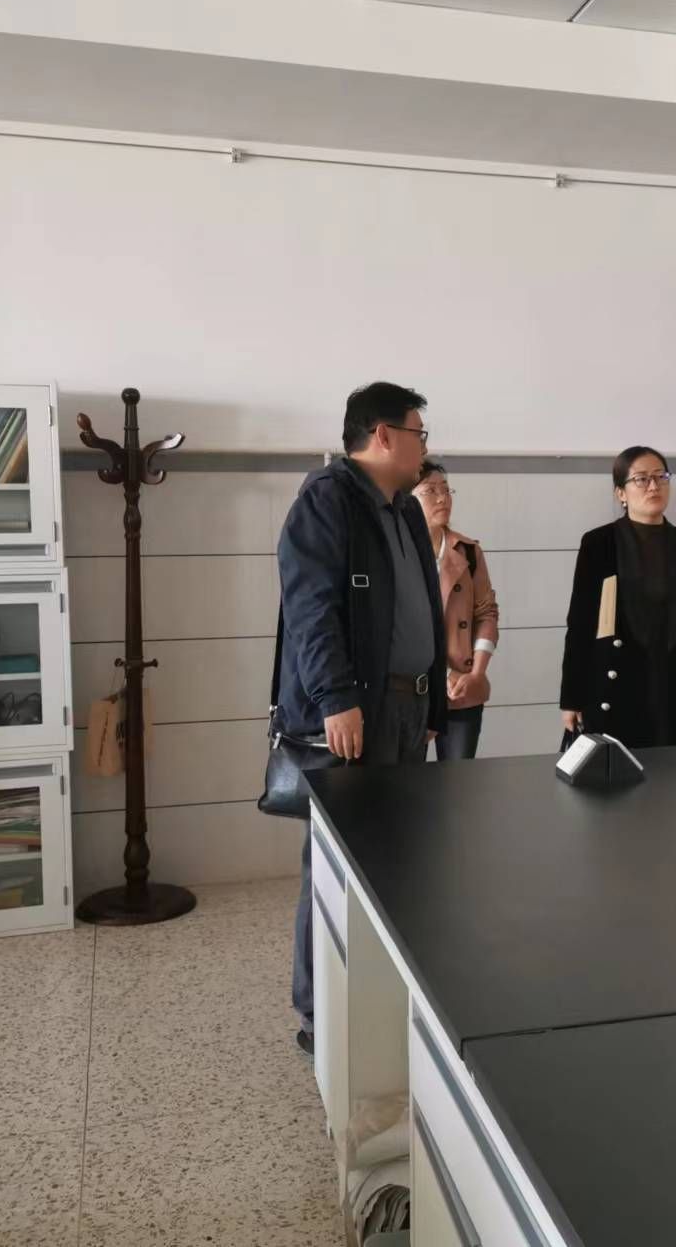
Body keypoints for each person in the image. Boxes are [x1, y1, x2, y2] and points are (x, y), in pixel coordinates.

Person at [279, 381, 446, 1055]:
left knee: (397, 860)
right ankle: (318, 1015)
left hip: (408, 705)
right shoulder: (328, 499)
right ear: (383, 435)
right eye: (418, 433)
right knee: (335, 864)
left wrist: (431, 704)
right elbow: (310, 607)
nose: (424, 447)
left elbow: (425, 608)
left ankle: (381, 997)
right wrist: (335, 698)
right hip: (357, 709)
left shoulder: (403, 508)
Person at [560, 447, 676, 748]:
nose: (653, 486)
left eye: (661, 477)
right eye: (641, 479)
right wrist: (571, 698)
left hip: (675, 679)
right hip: (618, 680)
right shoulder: (599, 543)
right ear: (621, 493)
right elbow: (580, 624)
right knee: (620, 772)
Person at [412, 459, 500, 760]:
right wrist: (442, 673)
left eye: (446, 490)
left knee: (459, 777)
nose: (442, 498)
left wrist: (476, 673)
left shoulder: (468, 550)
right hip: (414, 689)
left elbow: (486, 613)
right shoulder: (398, 552)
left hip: (462, 687)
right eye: (430, 491)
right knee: (409, 781)